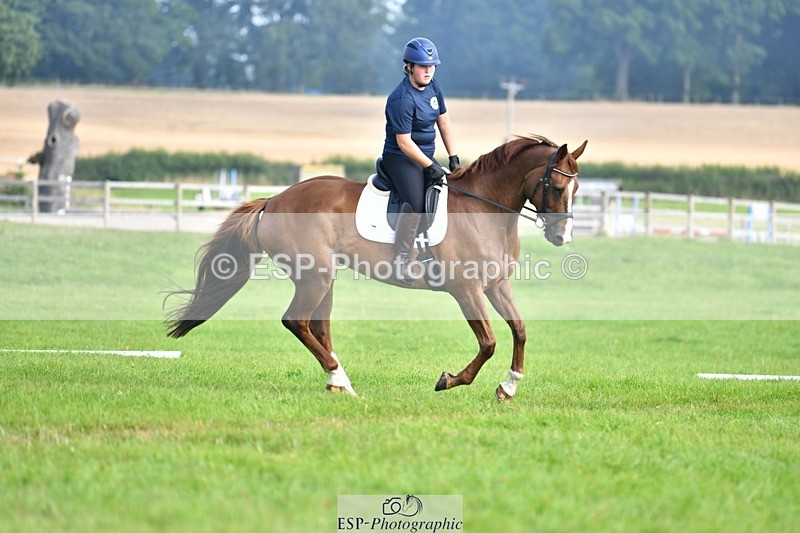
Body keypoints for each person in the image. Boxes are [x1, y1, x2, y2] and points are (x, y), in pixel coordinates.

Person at [383, 37, 460, 284]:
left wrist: (453, 157)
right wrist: (432, 166)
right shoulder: (401, 99)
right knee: (416, 201)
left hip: (425, 156)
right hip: (400, 158)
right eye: (422, 66)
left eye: (431, 66)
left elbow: (444, 121)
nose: (428, 70)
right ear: (409, 67)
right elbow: (404, 143)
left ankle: (431, 252)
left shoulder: (434, 87)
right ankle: (401, 261)